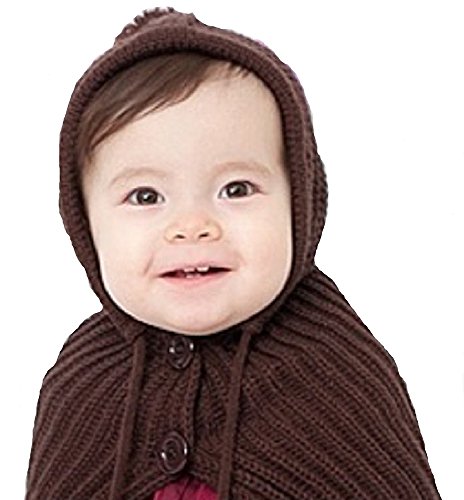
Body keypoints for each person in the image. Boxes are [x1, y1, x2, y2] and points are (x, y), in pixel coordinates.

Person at [26, 6, 441, 500]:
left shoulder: (338, 372)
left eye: (237, 189)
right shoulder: (81, 383)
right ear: (84, 222)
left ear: (300, 202)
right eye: (146, 196)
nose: (192, 226)